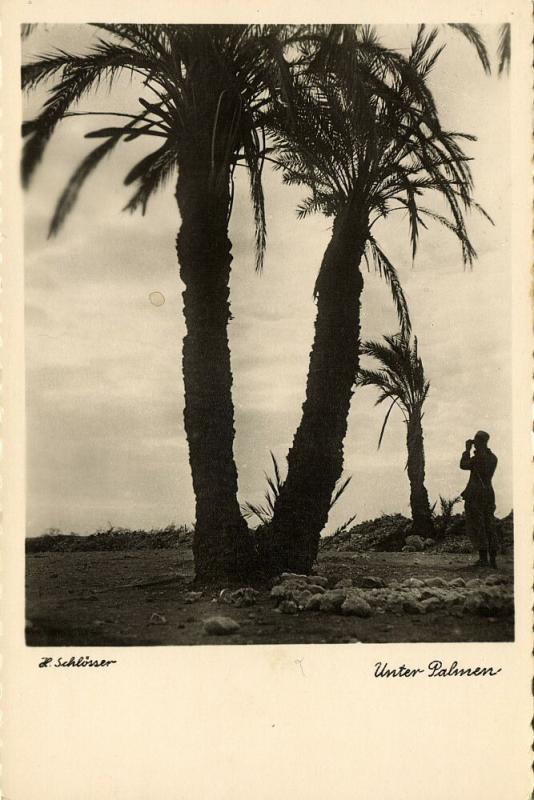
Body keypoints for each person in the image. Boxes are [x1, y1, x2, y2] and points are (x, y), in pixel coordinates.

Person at [460, 430, 498, 568]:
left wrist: (467, 450)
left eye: (476, 440)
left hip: (476, 494)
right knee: (489, 525)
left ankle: (483, 559)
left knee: (477, 525)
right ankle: (493, 560)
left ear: (479, 442)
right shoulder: (493, 458)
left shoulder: (478, 458)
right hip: (489, 493)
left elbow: (463, 465)